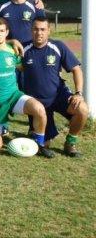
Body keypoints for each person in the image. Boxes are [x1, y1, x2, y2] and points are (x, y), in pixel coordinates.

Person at [0, 17, 55, 158]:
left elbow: (24, 68)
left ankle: (40, 143)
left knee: (39, 109)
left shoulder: (14, 51)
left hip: (14, 96)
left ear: (7, 32)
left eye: (2, 31)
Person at [22, 17, 88, 157]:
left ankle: (70, 142)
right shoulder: (23, 49)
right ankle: (35, 130)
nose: (39, 33)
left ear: (49, 31)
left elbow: (76, 70)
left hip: (58, 95)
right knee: (44, 146)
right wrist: (12, 41)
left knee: (82, 109)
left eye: (42, 29)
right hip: (38, 104)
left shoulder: (58, 46)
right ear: (31, 30)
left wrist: (78, 93)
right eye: (35, 29)